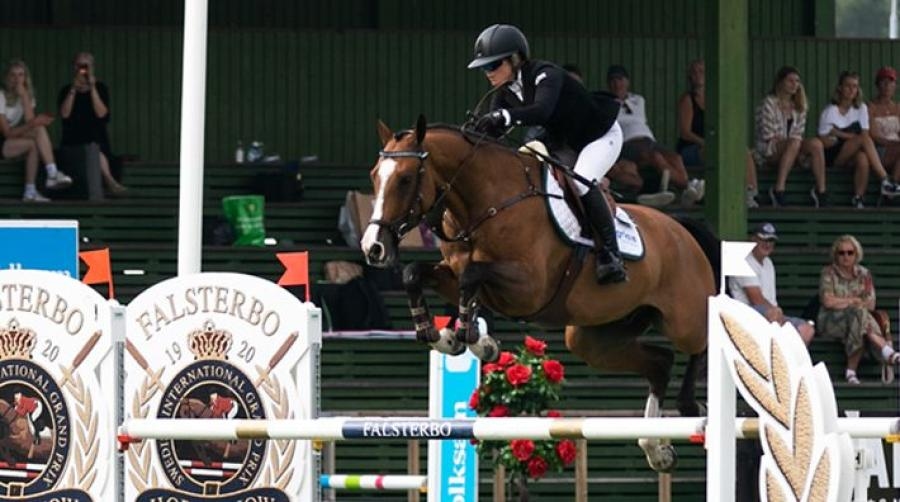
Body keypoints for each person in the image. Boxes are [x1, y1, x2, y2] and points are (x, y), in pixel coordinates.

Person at [468, 24, 626, 284]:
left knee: (580, 180)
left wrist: (503, 116)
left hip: (599, 135)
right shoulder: (504, 92)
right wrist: (476, 133)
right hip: (565, 141)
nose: (488, 73)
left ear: (514, 59)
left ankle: (611, 254)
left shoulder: (545, 74)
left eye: (492, 66)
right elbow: (495, 130)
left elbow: (542, 111)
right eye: (485, 68)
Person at [606, 64, 705, 207]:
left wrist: (622, 101)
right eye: (613, 80)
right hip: (629, 143)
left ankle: (685, 188)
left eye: (620, 79)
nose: (617, 84)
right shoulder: (608, 104)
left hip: (649, 141)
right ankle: (687, 187)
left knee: (675, 158)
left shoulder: (638, 100)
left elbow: (637, 117)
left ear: (627, 82)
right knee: (657, 158)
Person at [676, 59, 759, 208]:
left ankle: (750, 193)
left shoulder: (717, 99)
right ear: (690, 77)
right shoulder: (688, 99)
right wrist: (707, 143)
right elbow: (685, 132)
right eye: (694, 72)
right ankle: (724, 193)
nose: (698, 75)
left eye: (701, 71)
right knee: (715, 152)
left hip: (716, 146)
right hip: (691, 148)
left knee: (744, 151)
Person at [817, 235, 898, 384]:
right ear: (835, 255)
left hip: (856, 321)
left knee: (858, 317)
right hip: (832, 321)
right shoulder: (828, 273)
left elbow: (870, 303)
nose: (846, 256)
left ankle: (851, 373)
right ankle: (886, 351)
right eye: (841, 253)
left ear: (856, 254)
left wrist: (847, 303)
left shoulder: (864, 274)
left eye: (850, 252)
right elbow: (828, 301)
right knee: (859, 315)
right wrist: (852, 301)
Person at [817, 70, 899, 208]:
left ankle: (858, 197)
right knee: (862, 140)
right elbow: (823, 139)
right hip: (835, 154)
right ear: (840, 88)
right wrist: (847, 136)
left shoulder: (861, 108)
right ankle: (885, 180)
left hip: (854, 151)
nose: (851, 90)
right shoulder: (830, 111)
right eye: (848, 86)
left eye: (854, 86)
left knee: (862, 157)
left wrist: (837, 132)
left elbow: (864, 133)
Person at [728, 222, 815, 345]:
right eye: (763, 240)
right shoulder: (744, 261)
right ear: (753, 239)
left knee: (807, 330)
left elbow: (771, 302)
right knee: (773, 315)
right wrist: (777, 313)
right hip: (746, 314)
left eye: (771, 241)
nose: (767, 244)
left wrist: (778, 314)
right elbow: (756, 299)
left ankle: (786, 362)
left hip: (769, 313)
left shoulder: (768, 262)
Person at [754, 66, 828, 208]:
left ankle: (821, 191)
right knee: (794, 143)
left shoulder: (800, 105)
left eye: (797, 81)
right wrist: (793, 146)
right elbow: (768, 134)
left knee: (816, 144)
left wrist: (795, 149)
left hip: (792, 148)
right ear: (780, 82)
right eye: (790, 81)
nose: (795, 84)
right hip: (769, 151)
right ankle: (779, 189)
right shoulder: (769, 103)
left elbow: (798, 132)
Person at [0, 59, 72, 201]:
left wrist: (25, 97)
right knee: (36, 128)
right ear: (7, 78)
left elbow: (30, 122)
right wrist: (35, 122)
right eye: (13, 75)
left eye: (21, 75)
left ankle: (32, 189)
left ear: (26, 78)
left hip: (9, 140)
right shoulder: (0, 95)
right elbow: (6, 132)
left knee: (36, 136)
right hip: (2, 139)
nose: (17, 79)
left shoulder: (27, 96)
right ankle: (52, 173)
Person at [57, 51, 127, 195]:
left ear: (92, 67)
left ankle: (109, 181)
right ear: (74, 67)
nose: (82, 69)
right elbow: (64, 114)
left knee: (95, 150)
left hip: (97, 139)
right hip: (73, 141)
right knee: (92, 151)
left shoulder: (101, 88)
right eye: (79, 65)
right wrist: (74, 89)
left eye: (86, 66)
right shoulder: (66, 90)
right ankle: (110, 181)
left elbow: (102, 114)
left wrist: (92, 87)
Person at [866, 66, 900, 192]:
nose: (887, 86)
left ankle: (893, 185)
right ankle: (891, 187)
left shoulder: (898, 108)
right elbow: (874, 136)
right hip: (879, 150)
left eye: (890, 82)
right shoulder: (870, 107)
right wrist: (895, 144)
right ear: (877, 85)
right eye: (883, 82)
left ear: (895, 86)